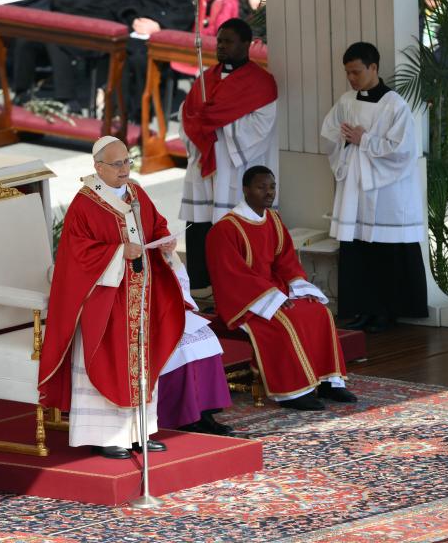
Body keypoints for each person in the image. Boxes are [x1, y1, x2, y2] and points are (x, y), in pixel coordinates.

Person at [38, 136, 185, 459]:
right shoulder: (85, 203)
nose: (124, 169)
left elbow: (155, 224)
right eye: (116, 164)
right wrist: (119, 252)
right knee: (109, 361)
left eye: (127, 162)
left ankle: (139, 433)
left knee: (140, 363)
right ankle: (105, 436)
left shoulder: (136, 193)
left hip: (140, 295)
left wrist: (163, 241)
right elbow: (77, 254)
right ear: (98, 166)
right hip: (105, 302)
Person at [206, 166, 356, 411]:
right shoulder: (226, 229)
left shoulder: (273, 220)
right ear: (245, 189)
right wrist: (271, 297)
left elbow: (285, 261)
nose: (268, 192)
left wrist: (297, 286)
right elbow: (232, 276)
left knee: (319, 312)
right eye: (261, 187)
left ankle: (329, 382)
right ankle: (292, 393)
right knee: (283, 321)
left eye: (272, 187)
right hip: (245, 301)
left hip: (273, 292)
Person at [321, 42, 428, 333]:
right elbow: (329, 132)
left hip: (386, 192)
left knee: (385, 253)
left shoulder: (395, 105)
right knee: (358, 251)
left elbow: (403, 151)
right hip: (355, 188)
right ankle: (363, 310)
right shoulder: (346, 100)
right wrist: (345, 139)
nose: (352, 78)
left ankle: (386, 313)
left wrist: (364, 140)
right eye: (348, 73)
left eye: (356, 72)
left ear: (373, 68)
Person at [180, 17, 278, 294]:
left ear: (247, 44)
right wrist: (199, 127)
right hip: (204, 163)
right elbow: (187, 116)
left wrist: (216, 124)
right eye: (219, 41)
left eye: (228, 41)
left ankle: (231, 287)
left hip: (233, 167)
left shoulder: (260, 83)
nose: (221, 46)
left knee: (230, 229)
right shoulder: (206, 78)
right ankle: (200, 285)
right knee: (200, 225)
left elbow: (261, 126)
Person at [158, 255, 233, 435]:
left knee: (207, 338)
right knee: (184, 348)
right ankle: (185, 417)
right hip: (147, 315)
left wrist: (168, 255)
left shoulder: (162, 248)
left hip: (172, 309)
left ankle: (205, 414)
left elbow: (181, 285)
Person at [114, 0, 195, 121]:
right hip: (137, 27)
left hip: (166, 32)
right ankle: (118, 111)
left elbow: (185, 12)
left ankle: (138, 113)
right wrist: (134, 20)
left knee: (140, 58)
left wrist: (159, 25)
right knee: (119, 53)